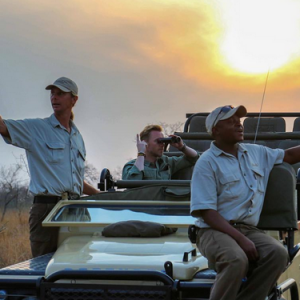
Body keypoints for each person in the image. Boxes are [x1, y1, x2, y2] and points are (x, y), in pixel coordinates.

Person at [190, 105, 300, 300]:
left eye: (239, 122)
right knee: (235, 259)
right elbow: (207, 213)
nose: (239, 126)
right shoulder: (206, 162)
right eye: (231, 122)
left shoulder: (256, 152)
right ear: (215, 131)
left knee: (278, 254)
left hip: (248, 229)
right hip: (213, 230)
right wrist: (241, 240)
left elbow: (289, 156)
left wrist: (245, 237)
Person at [0, 77, 99, 258]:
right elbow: (2, 126)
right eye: (52, 94)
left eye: (60, 94)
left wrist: (99, 195)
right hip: (47, 209)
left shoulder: (77, 137)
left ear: (74, 99)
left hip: (76, 209)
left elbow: (75, 179)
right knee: (44, 268)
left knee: (79, 265)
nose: (54, 98)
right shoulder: (37, 128)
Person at [122, 124, 199, 180]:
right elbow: (132, 183)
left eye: (163, 141)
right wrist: (141, 153)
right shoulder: (131, 166)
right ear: (145, 143)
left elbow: (194, 158)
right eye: (158, 141)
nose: (162, 144)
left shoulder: (166, 162)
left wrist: (182, 147)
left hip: (165, 201)